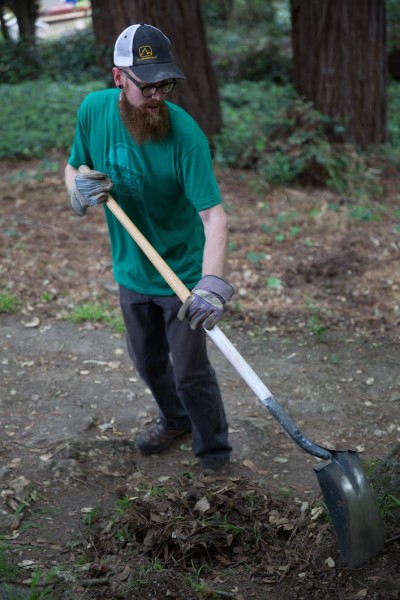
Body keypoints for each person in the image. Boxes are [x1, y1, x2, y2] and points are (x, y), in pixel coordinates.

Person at [65, 23, 234, 476]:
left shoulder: (186, 136)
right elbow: (74, 166)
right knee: (146, 360)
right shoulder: (94, 110)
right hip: (131, 270)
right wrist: (78, 190)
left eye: (166, 83)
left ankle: (214, 452)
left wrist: (211, 284)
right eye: (148, 85)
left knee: (190, 371)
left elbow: (214, 217)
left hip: (180, 274)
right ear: (119, 78)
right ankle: (175, 420)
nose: (158, 94)